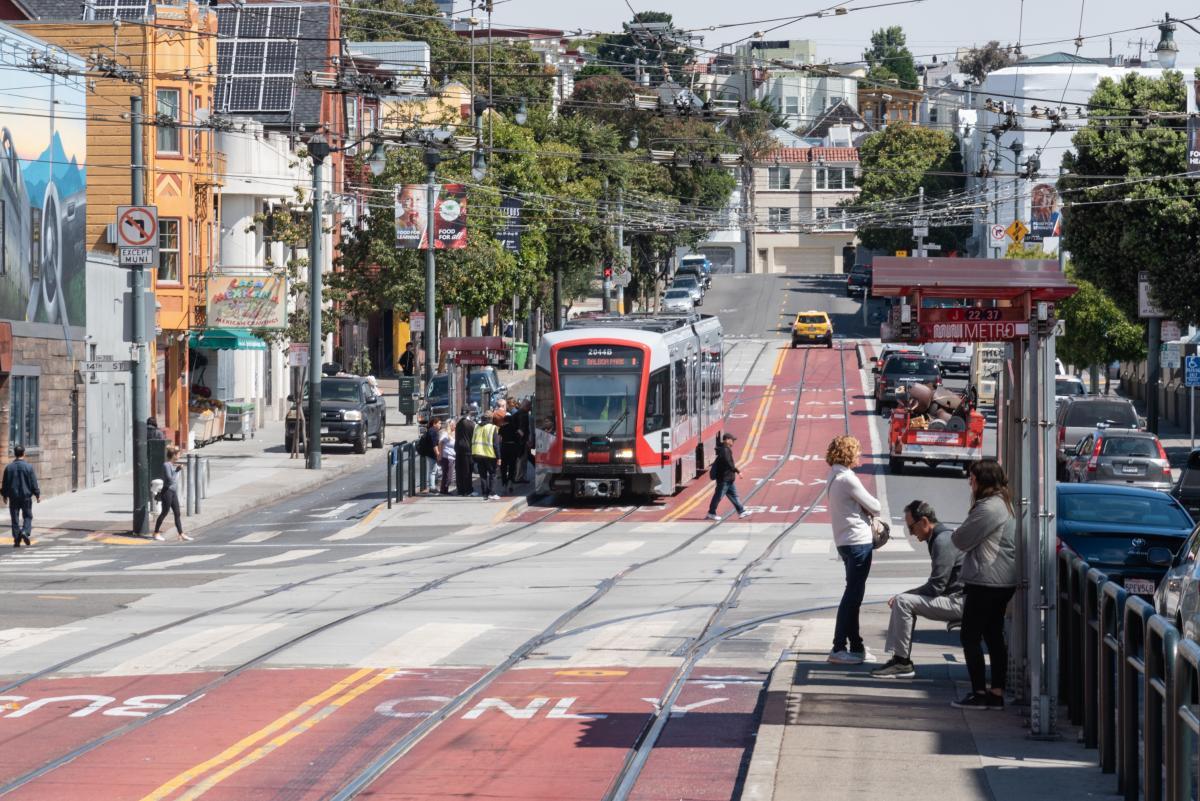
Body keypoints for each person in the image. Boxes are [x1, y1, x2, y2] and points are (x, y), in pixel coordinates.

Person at [949, 459, 1018, 710]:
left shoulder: (989, 508)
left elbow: (961, 539)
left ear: (981, 481)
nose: (970, 482)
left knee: (970, 635)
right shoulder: (1004, 503)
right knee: (993, 635)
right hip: (1001, 580)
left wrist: (959, 531)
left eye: (973, 478)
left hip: (986, 580)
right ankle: (996, 692)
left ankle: (978, 692)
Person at [871, 500, 965, 678]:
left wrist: (905, 595)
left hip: (959, 602)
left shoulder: (942, 541)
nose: (911, 534)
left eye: (911, 528)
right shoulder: (939, 537)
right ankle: (899, 658)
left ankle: (902, 662)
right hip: (956, 598)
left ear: (924, 521)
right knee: (903, 600)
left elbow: (936, 586)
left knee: (903, 602)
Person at [825, 434, 881, 665]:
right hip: (857, 542)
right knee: (852, 597)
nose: (859, 455)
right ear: (848, 453)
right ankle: (838, 648)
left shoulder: (834, 475)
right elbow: (875, 506)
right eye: (856, 451)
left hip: (845, 542)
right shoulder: (848, 478)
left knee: (854, 595)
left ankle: (856, 646)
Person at [706, 433, 751, 520]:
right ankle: (711, 513)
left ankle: (741, 511)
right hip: (724, 479)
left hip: (728, 478)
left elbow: (729, 463)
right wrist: (738, 471)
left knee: (734, 496)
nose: (733, 442)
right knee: (718, 496)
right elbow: (729, 463)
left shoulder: (725, 449)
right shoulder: (725, 450)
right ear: (727, 440)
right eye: (732, 440)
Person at [2, 444, 39, 548]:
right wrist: (37, 494)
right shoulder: (29, 467)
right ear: (23, 453)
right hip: (26, 496)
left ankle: (16, 539)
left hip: (13, 497)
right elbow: (33, 482)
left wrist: (4, 495)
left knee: (15, 518)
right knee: (27, 516)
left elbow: (5, 483)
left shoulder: (9, 468)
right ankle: (25, 532)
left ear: (15, 454)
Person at [154, 444, 192, 542]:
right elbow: (170, 480)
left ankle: (181, 534)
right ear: (173, 455)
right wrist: (177, 471)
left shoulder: (171, 465)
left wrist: (176, 470)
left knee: (177, 513)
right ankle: (156, 532)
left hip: (173, 492)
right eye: (178, 454)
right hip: (167, 492)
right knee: (164, 513)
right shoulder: (166, 465)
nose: (179, 456)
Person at [472, 410, 503, 500]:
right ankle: (492, 493)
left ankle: (484, 493)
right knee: (492, 474)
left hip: (478, 454)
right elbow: (496, 445)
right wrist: (499, 457)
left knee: (483, 475)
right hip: (489, 454)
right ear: (491, 418)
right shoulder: (493, 428)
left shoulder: (476, 426)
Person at [498, 405, 523, 494]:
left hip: (504, 448)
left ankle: (504, 483)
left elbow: (499, 439)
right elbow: (522, 434)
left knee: (503, 466)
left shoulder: (502, 428)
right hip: (513, 448)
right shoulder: (515, 428)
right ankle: (510, 482)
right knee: (512, 466)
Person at [455, 405, 477, 497]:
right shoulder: (471, 424)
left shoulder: (458, 423)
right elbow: (474, 437)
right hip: (467, 450)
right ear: (469, 413)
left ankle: (460, 490)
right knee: (467, 471)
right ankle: (468, 490)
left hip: (458, 449)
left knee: (459, 470)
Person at [420, 418, 443, 493]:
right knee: (433, 471)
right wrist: (438, 454)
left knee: (434, 470)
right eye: (439, 423)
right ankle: (432, 487)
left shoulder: (431, 430)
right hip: (431, 454)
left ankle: (433, 486)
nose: (440, 425)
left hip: (429, 453)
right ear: (434, 424)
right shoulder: (433, 431)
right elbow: (434, 444)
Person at [438, 419, 456, 495]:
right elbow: (440, 443)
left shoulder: (452, 433)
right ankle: (443, 490)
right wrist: (440, 455)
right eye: (454, 425)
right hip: (447, 457)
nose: (455, 426)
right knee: (448, 476)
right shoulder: (445, 433)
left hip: (452, 456)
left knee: (448, 475)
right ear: (450, 425)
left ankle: (444, 489)